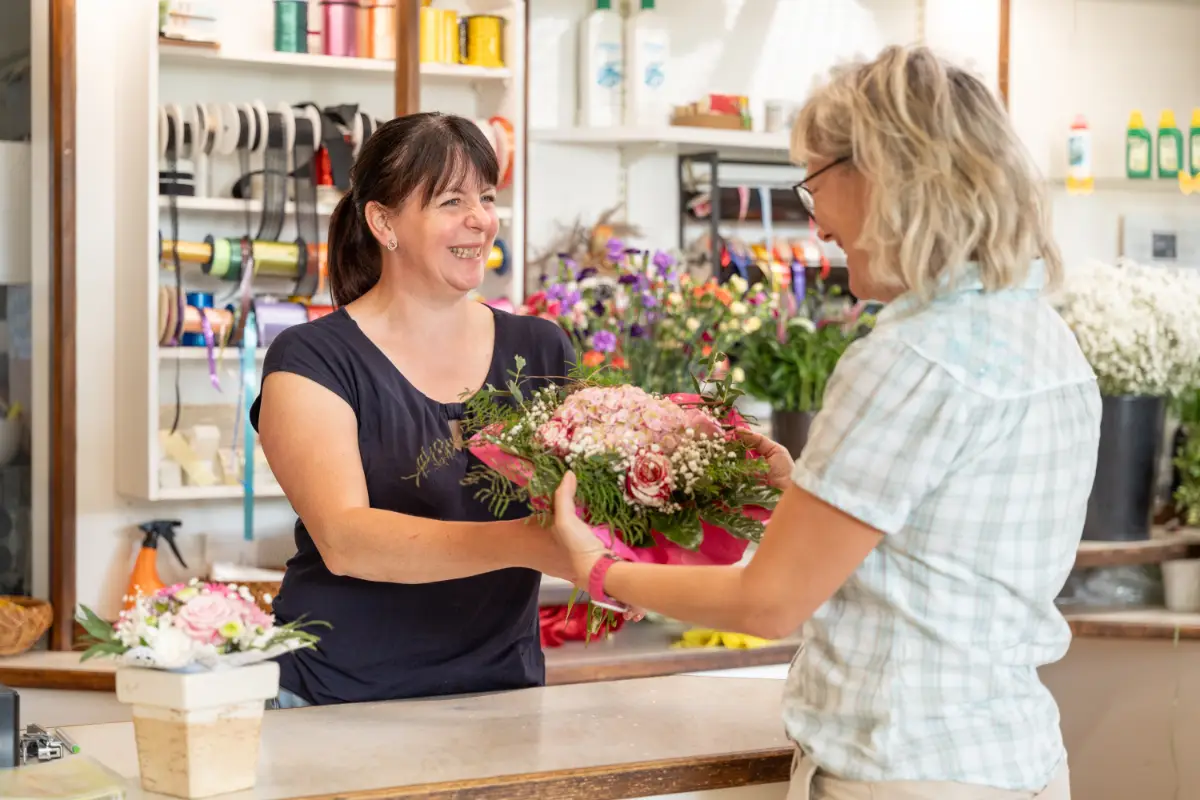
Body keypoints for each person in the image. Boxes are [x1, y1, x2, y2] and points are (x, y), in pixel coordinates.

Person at [549, 46, 1094, 800]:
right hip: (1014, 759)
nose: (819, 226)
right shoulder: (1044, 335)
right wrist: (801, 484)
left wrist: (599, 572)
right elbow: (939, 553)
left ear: (882, 171)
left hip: (905, 771)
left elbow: (770, 603)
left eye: (813, 185)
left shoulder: (907, 357)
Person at [251, 112, 583, 708]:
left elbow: (587, 499)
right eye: (451, 201)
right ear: (383, 221)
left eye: (486, 196)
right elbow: (346, 539)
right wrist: (531, 543)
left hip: (502, 694)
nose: (480, 220)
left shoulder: (542, 349)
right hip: (334, 698)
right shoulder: (312, 357)